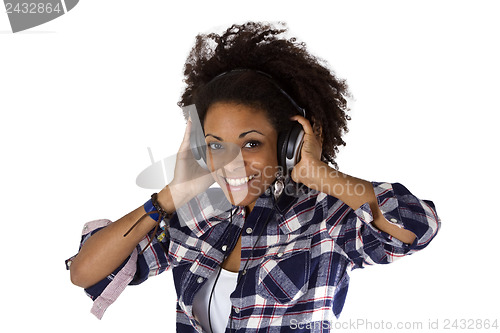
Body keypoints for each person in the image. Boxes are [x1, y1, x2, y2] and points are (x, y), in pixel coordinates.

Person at [66, 22, 441, 333]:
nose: (231, 164)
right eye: (216, 145)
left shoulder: (324, 219)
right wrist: (169, 196)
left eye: (251, 144)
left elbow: (415, 226)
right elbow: (85, 272)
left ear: (288, 144)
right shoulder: (194, 219)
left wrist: (318, 173)